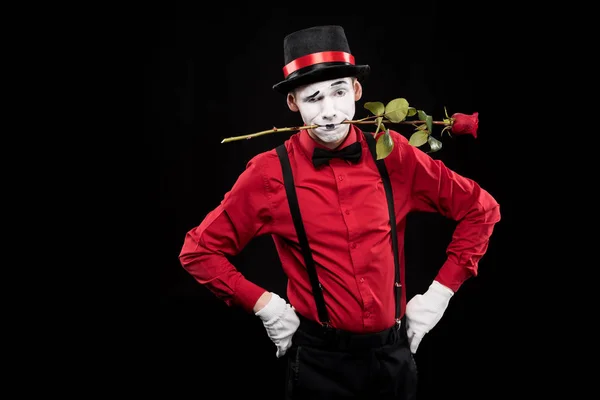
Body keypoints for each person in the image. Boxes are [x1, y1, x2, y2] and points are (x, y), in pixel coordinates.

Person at [178, 25, 501, 399]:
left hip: (394, 361)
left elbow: (481, 209)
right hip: (318, 364)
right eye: (313, 98)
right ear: (292, 103)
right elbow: (198, 252)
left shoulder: (392, 152)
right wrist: (265, 306)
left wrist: (439, 296)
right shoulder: (269, 174)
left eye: (339, 92)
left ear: (357, 91)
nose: (330, 112)